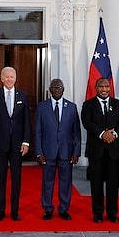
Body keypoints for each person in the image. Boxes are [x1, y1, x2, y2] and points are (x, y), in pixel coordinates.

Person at [0, 66, 31, 221]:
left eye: (12, 76)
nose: (10, 79)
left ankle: (15, 211)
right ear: (1, 78)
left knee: (17, 179)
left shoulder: (23, 96)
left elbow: (26, 122)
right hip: (0, 145)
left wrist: (26, 141)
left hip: (18, 145)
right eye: (7, 77)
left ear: (16, 78)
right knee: (0, 179)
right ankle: (0, 211)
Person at [81, 77, 119, 223]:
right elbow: (87, 122)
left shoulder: (118, 104)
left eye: (106, 86)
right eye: (101, 86)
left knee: (113, 183)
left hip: (114, 150)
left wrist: (114, 133)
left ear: (110, 88)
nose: (104, 89)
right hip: (96, 150)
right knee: (96, 183)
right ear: (96, 88)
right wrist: (102, 134)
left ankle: (112, 213)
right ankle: (98, 213)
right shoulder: (88, 104)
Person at [34, 78, 81, 221]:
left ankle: (63, 209)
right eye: (54, 88)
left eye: (59, 87)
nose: (56, 90)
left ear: (63, 89)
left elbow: (76, 132)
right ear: (49, 90)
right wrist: (39, 152)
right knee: (47, 182)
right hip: (47, 152)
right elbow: (38, 132)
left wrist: (76, 152)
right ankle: (47, 209)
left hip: (66, 152)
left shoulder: (72, 107)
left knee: (66, 182)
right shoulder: (42, 107)